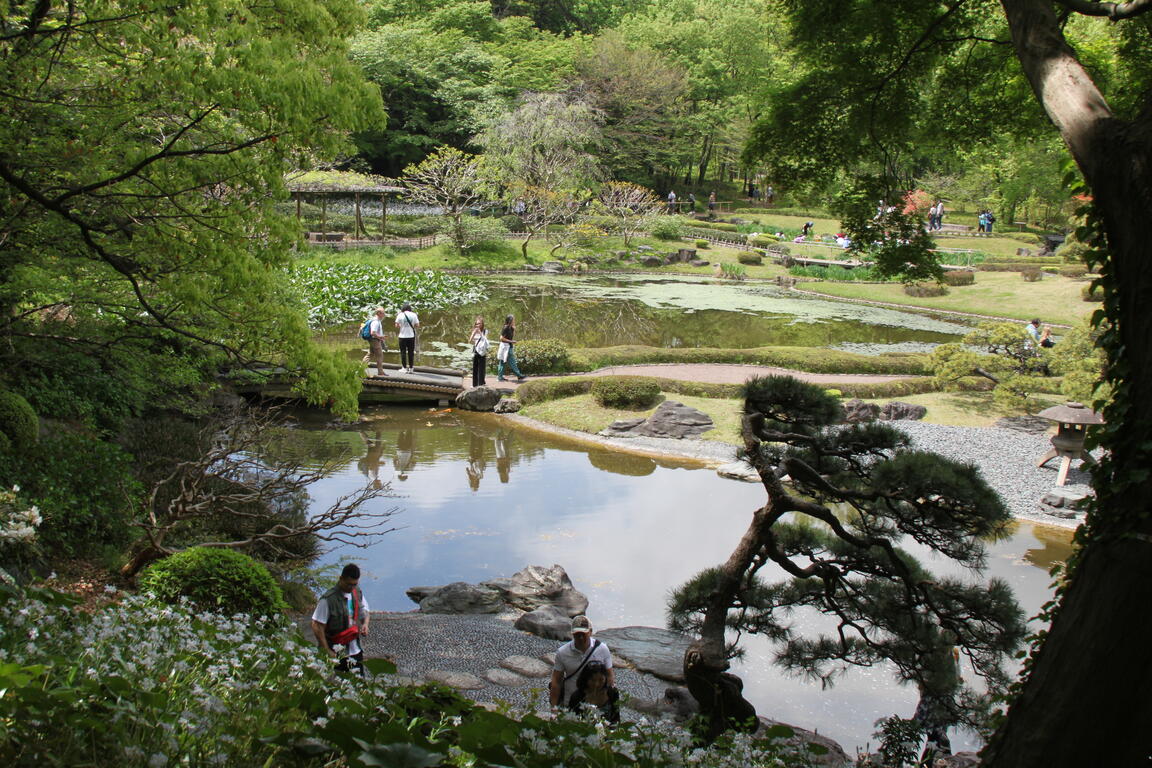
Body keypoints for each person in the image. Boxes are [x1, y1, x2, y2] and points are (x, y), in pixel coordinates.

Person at [311, 563, 370, 675]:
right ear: (341, 579)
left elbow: (365, 611)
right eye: (348, 584)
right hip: (335, 651)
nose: (351, 588)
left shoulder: (356, 592)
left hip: (355, 651)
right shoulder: (328, 599)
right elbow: (317, 625)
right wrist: (326, 650)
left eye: (354, 584)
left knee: (358, 685)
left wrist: (365, 624)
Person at [549, 615, 615, 710]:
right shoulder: (562, 652)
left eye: (583, 634)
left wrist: (608, 700)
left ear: (590, 632)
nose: (580, 637)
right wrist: (554, 708)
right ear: (572, 633)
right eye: (577, 634)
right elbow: (556, 681)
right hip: (571, 703)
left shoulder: (602, 649)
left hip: (596, 705)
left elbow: (609, 676)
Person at [496, 314, 526, 382]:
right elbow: (501, 338)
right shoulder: (505, 327)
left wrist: (513, 329)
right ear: (510, 320)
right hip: (506, 347)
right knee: (512, 362)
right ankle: (519, 375)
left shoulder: (511, 328)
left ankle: (500, 377)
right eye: (513, 319)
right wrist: (511, 341)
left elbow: (511, 336)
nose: (514, 320)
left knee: (503, 362)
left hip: (509, 347)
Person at [395, 302, 420, 374]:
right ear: (409, 309)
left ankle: (404, 368)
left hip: (402, 336)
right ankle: (411, 368)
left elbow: (396, 325)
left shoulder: (400, 315)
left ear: (403, 308)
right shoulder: (414, 315)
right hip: (411, 336)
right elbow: (417, 325)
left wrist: (402, 326)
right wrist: (411, 326)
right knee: (411, 352)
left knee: (403, 352)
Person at [365, 307, 387, 376]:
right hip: (374, 340)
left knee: (370, 354)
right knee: (380, 355)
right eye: (383, 313)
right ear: (378, 313)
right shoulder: (375, 322)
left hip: (374, 340)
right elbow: (373, 333)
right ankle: (380, 372)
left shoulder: (377, 321)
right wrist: (380, 337)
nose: (384, 315)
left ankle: (360, 368)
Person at [469, 316, 489, 387]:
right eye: (477, 324)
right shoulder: (474, 330)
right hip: (476, 351)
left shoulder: (485, 331)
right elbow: (470, 340)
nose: (478, 325)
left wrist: (480, 332)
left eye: (479, 323)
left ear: (482, 324)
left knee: (481, 369)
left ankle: (481, 384)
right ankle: (474, 385)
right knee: (475, 368)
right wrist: (474, 333)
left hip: (482, 351)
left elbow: (485, 340)